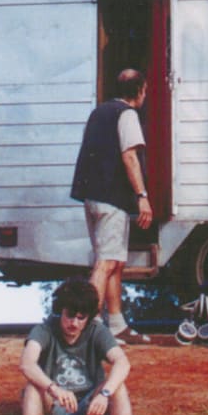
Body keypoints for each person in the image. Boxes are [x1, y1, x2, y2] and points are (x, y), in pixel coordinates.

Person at [69, 68, 153, 344]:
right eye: (144, 90)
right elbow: (129, 156)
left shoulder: (99, 112)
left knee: (114, 261)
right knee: (106, 263)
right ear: (139, 90)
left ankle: (116, 325)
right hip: (112, 199)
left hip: (93, 197)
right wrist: (142, 195)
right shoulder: (127, 114)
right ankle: (90, 327)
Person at [19, 277, 134, 415]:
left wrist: (104, 394)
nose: (74, 323)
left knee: (118, 386)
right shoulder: (44, 330)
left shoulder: (97, 330)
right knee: (32, 388)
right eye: (70, 315)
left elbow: (122, 362)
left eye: (81, 318)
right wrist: (54, 389)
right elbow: (27, 363)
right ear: (60, 311)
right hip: (55, 406)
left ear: (89, 317)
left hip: (91, 408)